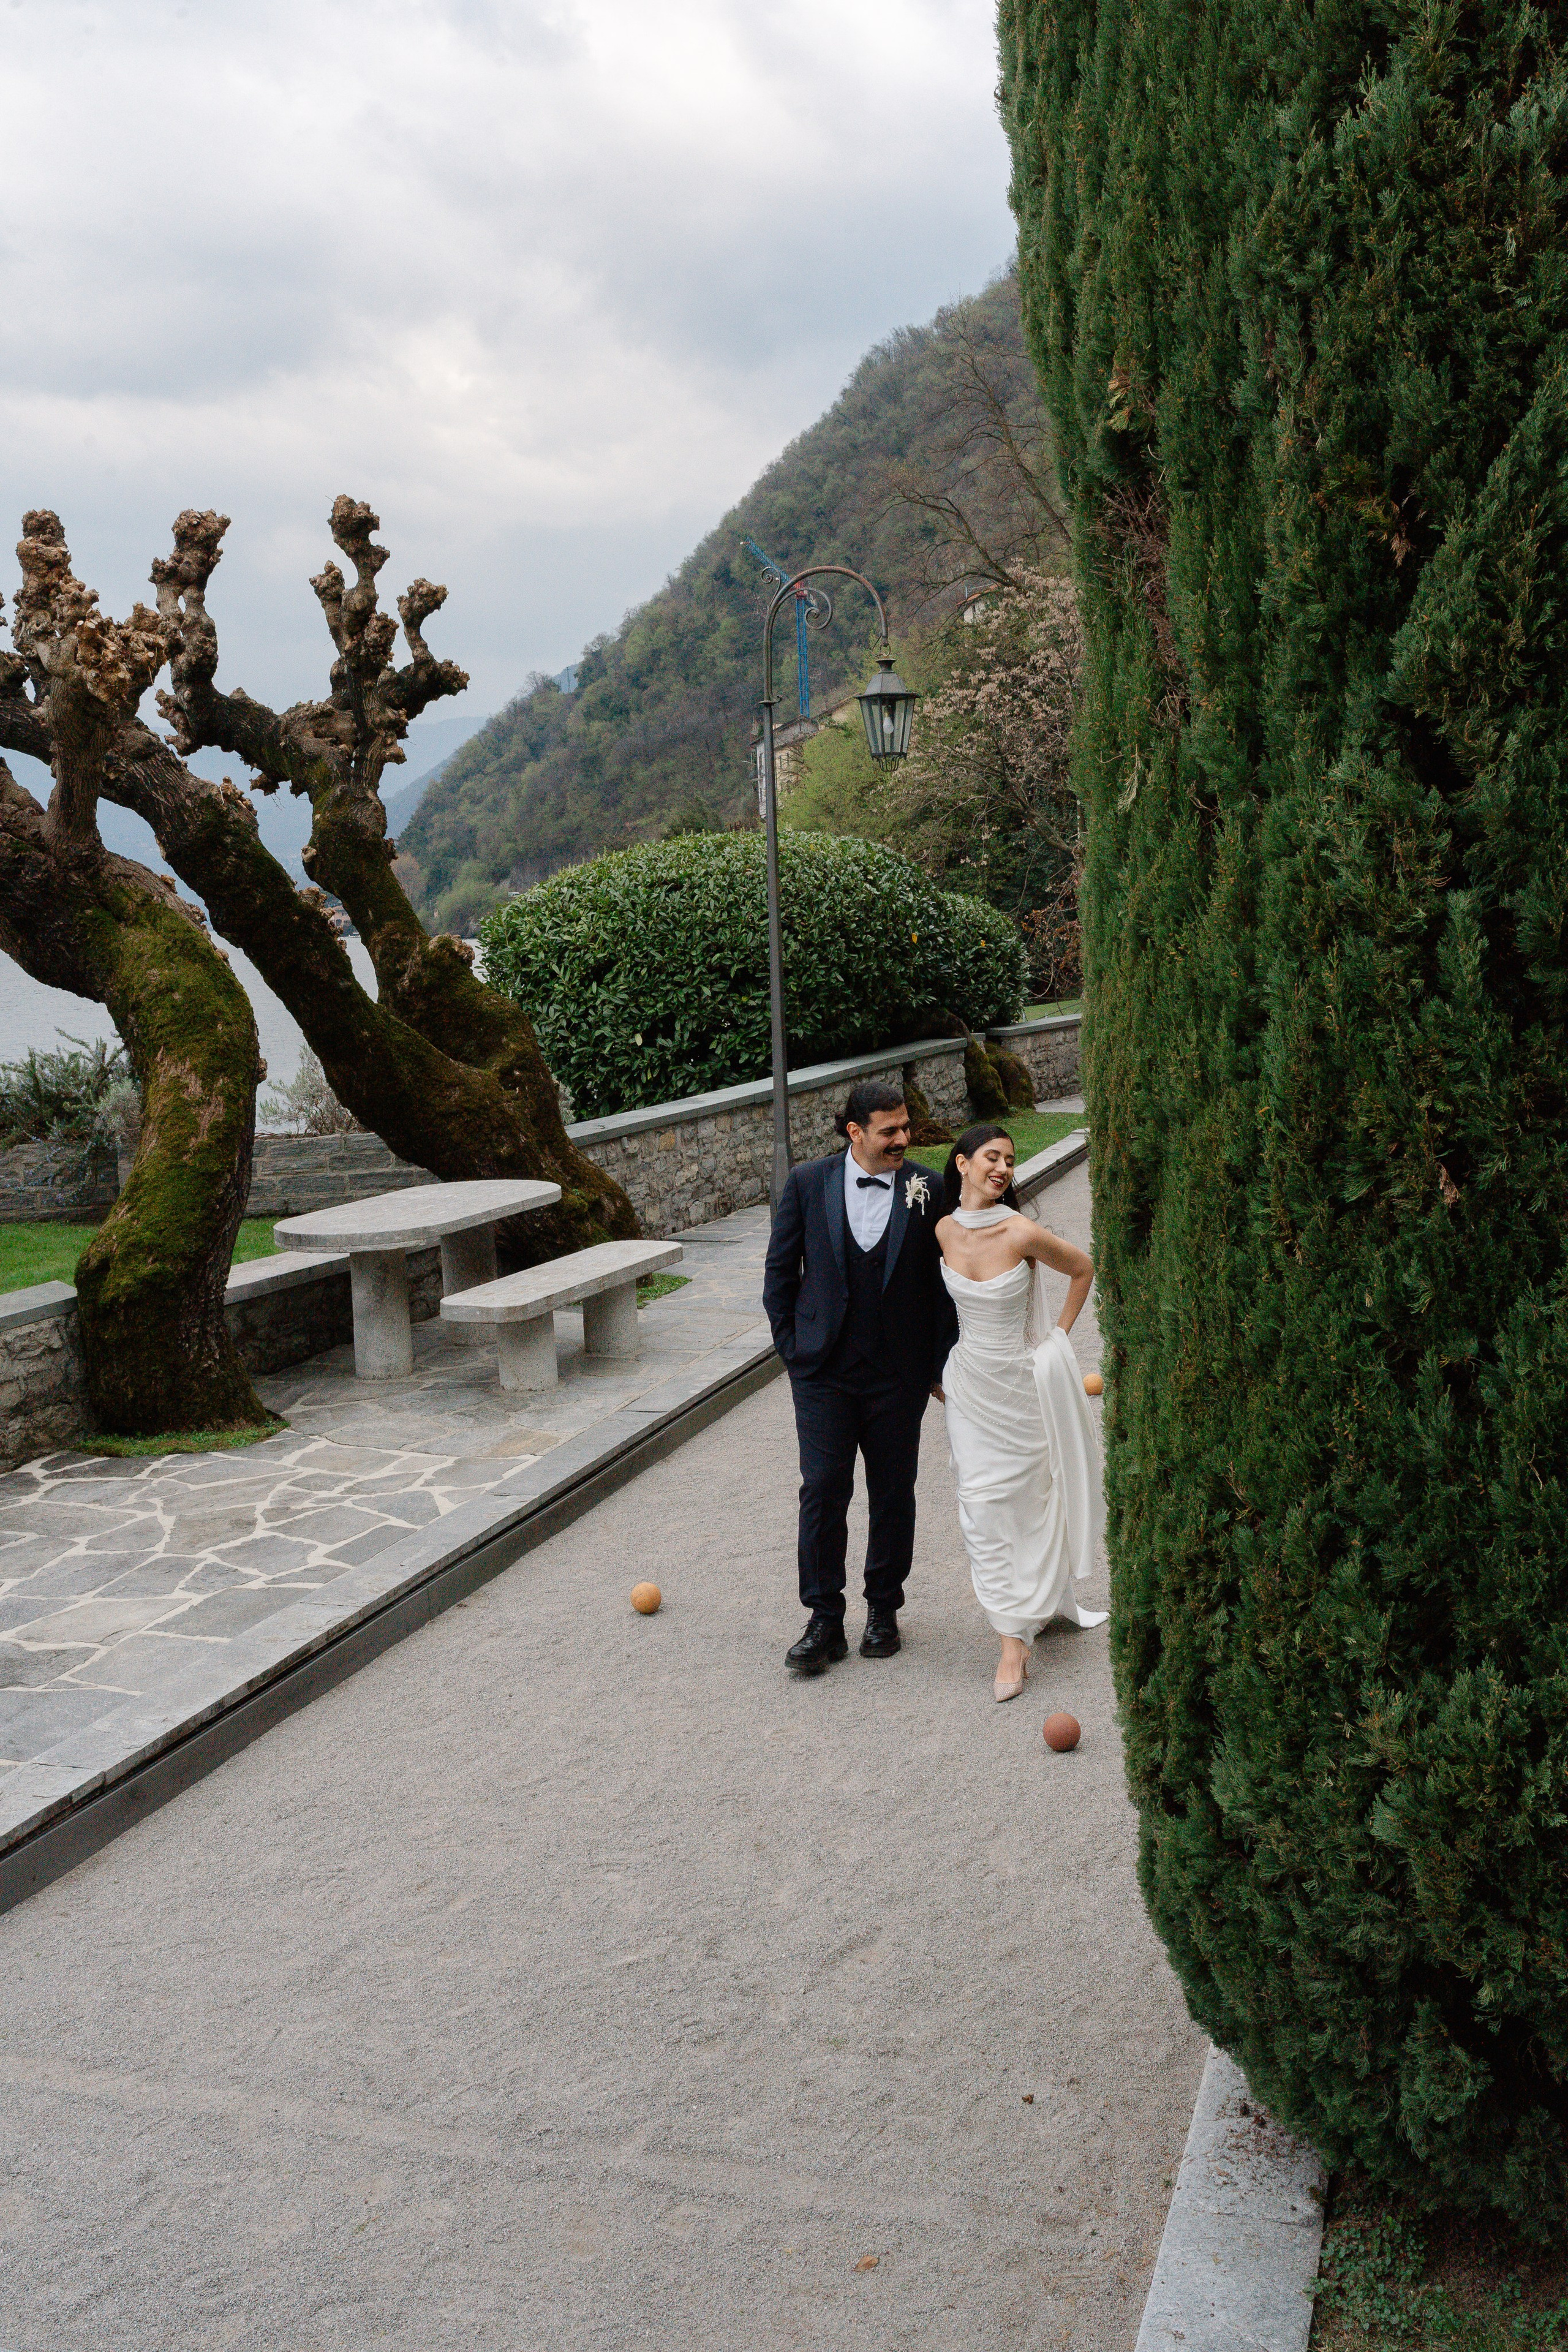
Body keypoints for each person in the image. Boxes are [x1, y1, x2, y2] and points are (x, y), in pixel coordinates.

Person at [762, 1080, 959, 1676]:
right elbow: (779, 1274)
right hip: (823, 1370)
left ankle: (883, 1609)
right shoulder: (807, 1183)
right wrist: (794, 1352)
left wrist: (937, 1364)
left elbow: (945, 1282)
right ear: (855, 1132)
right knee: (822, 1488)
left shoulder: (928, 1188)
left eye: (906, 1128)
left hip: (898, 1374)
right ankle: (824, 1617)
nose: (903, 1139)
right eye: (889, 1131)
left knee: (893, 1492)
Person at [934, 1121, 1109, 1702]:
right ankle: (1012, 1638)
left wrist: (1055, 1343)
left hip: (1021, 1388)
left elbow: (1083, 1269)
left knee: (1031, 1501)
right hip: (969, 1388)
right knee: (980, 1507)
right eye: (991, 1156)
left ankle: (1045, 1600)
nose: (1003, 1168)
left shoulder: (1021, 1231)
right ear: (962, 1163)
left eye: (1009, 1159)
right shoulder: (941, 1229)